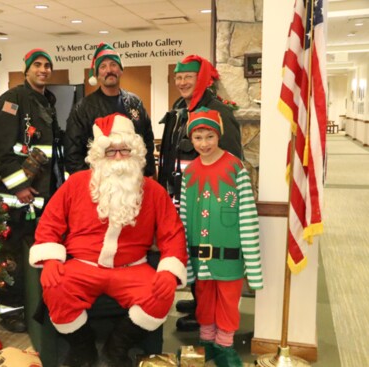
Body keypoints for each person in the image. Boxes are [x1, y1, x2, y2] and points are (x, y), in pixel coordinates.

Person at [29, 113, 187, 367]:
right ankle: (83, 347)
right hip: (82, 266)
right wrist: (48, 260)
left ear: (135, 153)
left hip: (132, 268)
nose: (117, 158)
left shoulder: (153, 191)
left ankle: (116, 348)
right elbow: (50, 223)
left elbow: (173, 235)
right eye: (110, 151)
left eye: (123, 151)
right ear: (98, 156)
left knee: (160, 294)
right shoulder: (76, 184)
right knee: (56, 287)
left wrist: (169, 272)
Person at [157, 54, 243, 332]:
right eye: (178, 77)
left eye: (188, 77)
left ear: (202, 79)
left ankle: (206, 311)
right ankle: (197, 301)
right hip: (181, 190)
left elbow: (231, 158)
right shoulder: (179, 108)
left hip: (207, 197)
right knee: (190, 247)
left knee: (206, 252)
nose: (182, 82)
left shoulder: (219, 111)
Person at [0, 48, 65, 333]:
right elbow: (0, 150)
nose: (43, 70)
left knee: (33, 255)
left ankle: (32, 305)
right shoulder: (11, 101)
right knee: (12, 257)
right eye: (38, 66)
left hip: (39, 196)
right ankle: (10, 310)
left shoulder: (45, 102)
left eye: (47, 66)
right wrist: (20, 186)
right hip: (15, 196)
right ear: (27, 70)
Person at [179, 107, 263, 366]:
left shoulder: (235, 168)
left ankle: (225, 345)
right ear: (191, 140)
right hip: (200, 256)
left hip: (230, 257)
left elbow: (248, 216)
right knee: (203, 300)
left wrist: (253, 265)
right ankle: (207, 343)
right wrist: (183, 258)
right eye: (198, 137)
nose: (204, 144)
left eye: (209, 137)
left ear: (219, 136)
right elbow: (183, 217)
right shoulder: (189, 172)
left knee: (227, 300)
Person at [65, 42, 156, 177]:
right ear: (96, 74)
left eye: (113, 65)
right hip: (99, 184)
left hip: (134, 181)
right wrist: (89, 182)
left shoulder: (135, 103)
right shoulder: (83, 108)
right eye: (103, 66)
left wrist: (148, 174)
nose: (109, 70)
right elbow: (73, 154)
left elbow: (147, 142)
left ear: (121, 70)